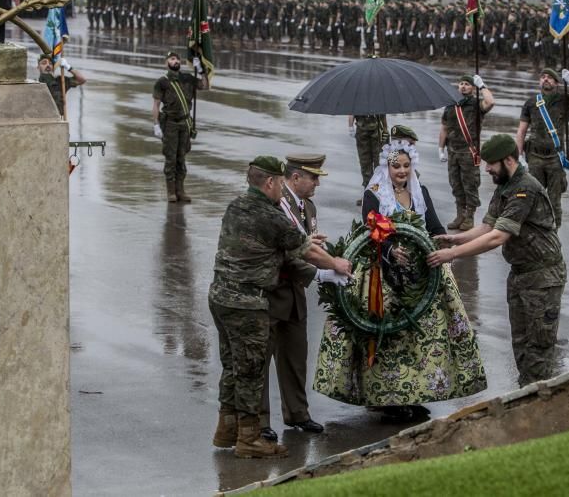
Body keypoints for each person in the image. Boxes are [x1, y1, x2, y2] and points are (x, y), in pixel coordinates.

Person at [314, 140, 487, 422]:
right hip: (383, 276)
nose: (402, 171)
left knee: (420, 337)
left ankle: (413, 394)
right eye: (396, 166)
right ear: (387, 166)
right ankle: (386, 399)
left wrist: (442, 249)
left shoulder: (421, 192)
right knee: (388, 337)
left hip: (420, 275)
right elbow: (368, 233)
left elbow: (434, 226)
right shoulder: (374, 194)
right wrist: (391, 251)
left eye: (406, 165)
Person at [208, 156, 352, 460]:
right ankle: (249, 438)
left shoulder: (237, 206)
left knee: (234, 367)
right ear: (272, 182)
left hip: (222, 296)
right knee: (250, 370)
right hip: (247, 302)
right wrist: (335, 265)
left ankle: (227, 428)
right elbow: (306, 250)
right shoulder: (270, 214)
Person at [427, 134, 567, 387]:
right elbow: (487, 226)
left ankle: (539, 405)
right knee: (521, 345)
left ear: (509, 160)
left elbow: (497, 238)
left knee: (538, 350)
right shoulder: (506, 186)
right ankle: (527, 398)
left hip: (542, 278)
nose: (487, 168)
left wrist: (451, 255)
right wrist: (455, 239)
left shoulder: (525, 188)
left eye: (491, 163)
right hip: (521, 275)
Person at [259, 154, 330, 442]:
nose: (316, 184)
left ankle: (297, 413)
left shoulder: (307, 207)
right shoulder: (276, 204)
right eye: (313, 178)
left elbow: (305, 245)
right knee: (261, 362)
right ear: (296, 177)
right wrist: (325, 271)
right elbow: (285, 251)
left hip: (295, 293)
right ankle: (260, 421)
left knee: (295, 356)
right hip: (270, 292)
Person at [515, 68, 569, 227]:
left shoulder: (563, 99)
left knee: (554, 200)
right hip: (535, 156)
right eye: (543, 77)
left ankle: (553, 232)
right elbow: (521, 130)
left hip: (555, 158)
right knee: (534, 196)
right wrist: (519, 156)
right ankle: (536, 230)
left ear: (557, 83)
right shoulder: (531, 102)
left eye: (550, 78)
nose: (545, 80)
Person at [439, 74, 494, 231]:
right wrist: (440, 149)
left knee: (470, 185)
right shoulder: (451, 105)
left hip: (469, 152)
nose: (463, 86)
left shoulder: (476, 105)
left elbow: (490, 102)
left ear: (472, 88)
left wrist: (482, 85)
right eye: (461, 83)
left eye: (467, 84)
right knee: (456, 184)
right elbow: (444, 127)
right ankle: (460, 215)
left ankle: (469, 217)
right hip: (453, 152)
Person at [152, 52, 209, 203]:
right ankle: (171, 191)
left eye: (177, 59)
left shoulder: (188, 79)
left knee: (181, 157)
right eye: (172, 59)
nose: (175, 61)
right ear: (166, 63)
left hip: (184, 123)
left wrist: (201, 70)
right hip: (170, 123)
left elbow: (205, 86)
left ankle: (180, 190)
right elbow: (156, 104)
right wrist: (156, 124)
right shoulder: (162, 82)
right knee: (171, 158)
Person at [349, 114, 389, 192]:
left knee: (379, 163)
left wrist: (385, 129)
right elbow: (352, 111)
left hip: (377, 130)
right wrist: (350, 126)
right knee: (365, 163)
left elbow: (383, 112)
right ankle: (368, 192)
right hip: (362, 130)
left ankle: (378, 192)